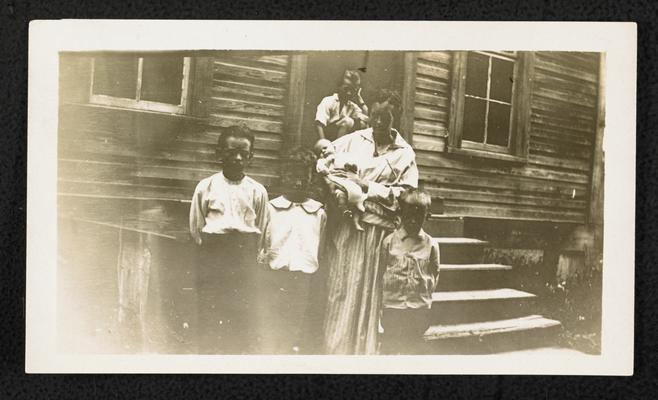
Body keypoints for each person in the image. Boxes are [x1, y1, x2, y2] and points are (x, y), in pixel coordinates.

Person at [322, 101, 419, 355]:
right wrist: (336, 187)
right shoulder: (353, 140)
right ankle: (336, 353)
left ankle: (364, 356)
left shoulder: (405, 153)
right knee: (342, 288)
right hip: (349, 227)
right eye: (374, 116)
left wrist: (366, 186)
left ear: (394, 118)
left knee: (371, 293)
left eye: (384, 118)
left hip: (380, 232)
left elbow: (406, 194)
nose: (377, 122)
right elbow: (325, 162)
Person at [188, 125, 269, 354]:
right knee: (211, 309)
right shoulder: (206, 187)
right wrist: (212, 251)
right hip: (213, 254)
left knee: (242, 312)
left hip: (244, 256)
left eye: (244, 153)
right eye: (232, 151)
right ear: (219, 153)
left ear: (251, 157)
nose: (237, 158)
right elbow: (196, 226)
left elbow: (261, 227)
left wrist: (247, 251)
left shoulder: (257, 191)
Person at [256, 148, 327, 354]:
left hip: (302, 279)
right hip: (273, 276)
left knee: (296, 322)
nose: (298, 183)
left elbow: (319, 247)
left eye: (304, 177)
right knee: (271, 323)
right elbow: (261, 243)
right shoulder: (271, 208)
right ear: (284, 176)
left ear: (311, 178)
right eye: (293, 176)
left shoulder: (318, 213)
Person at [379, 189, 440, 355]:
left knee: (414, 345)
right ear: (401, 213)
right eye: (409, 215)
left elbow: (435, 273)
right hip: (393, 306)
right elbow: (381, 271)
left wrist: (424, 294)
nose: (413, 221)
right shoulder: (389, 242)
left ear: (427, 216)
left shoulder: (431, 244)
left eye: (418, 216)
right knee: (391, 344)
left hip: (418, 308)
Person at [314, 138, 368, 231]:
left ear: (334, 147)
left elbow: (354, 166)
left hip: (349, 182)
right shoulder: (322, 161)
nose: (323, 151)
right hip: (337, 181)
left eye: (325, 147)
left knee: (361, 199)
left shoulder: (343, 156)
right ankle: (344, 210)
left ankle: (356, 222)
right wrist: (327, 161)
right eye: (320, 151)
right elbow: (321, 170)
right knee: (340, 195)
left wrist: (351, 166)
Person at [315, 70, 369, 141]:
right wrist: (323, 142)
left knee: (362, 124)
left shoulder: (351, 106)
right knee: (348, 121)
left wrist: (359, 98)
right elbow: (319, 123)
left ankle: (342, 147)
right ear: (339, 86)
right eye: (346, 89)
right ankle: (336, 147)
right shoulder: (329, 100)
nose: (349, 93)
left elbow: (365, 119)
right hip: (327, 136)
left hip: (340, 137)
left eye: (352, 90)